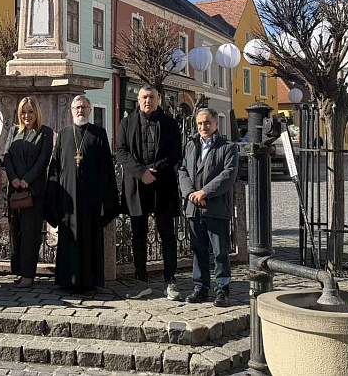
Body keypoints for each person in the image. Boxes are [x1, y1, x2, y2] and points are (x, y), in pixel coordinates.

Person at [45, 95, 118, 295]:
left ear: (90, 110)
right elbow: (55, 168)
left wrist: (107, 200)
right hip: (68, 197)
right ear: (71, 110)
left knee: (90, 238)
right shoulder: (64, 134)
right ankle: (67, 280)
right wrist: (53, 196)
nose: (80, 111)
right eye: (77, 107)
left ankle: (89, 281)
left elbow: (107, 169)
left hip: (91, 199)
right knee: (69, 239)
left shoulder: (99, 134)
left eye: (84, 107)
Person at [115, 85, 183, 300]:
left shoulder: (170, 124)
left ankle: (169, 281)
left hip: (163, 185)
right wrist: (141, 172)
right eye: (144, 97)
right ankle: (141, 280)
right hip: (137, 185)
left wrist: (156, 170)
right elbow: (121, 152)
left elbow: (175, 153)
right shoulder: (126, 123)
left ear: (159, 99)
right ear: (138, 99)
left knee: (167, 235)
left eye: (152, 97)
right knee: (138, 235)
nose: (148, 101)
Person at [178, 107, 239, 308]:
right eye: (199, 124)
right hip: (194, 208)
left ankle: (222, 290)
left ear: (215, 124)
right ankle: (200, 288)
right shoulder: (191, 145)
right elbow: (183, 170)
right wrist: (190, 194)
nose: (203, 127)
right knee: (199, 250)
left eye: (206, 123)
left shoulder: (228, 147)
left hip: (216, 207)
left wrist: (204, 192)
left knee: (220, 252)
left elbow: (228, 174)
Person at [2, 96, 54, 288]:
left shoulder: (45, 133)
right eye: (23, 112)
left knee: (31, 233)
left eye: (30, 111)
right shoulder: (14, 131)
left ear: (37, 113)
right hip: (15, 190)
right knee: (16, 232)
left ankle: (28, 274)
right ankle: (18, 270)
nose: (26, 115)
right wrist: (14, 178)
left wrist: (26, 180)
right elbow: (6, 156)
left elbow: (43, 160)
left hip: (33, 191)